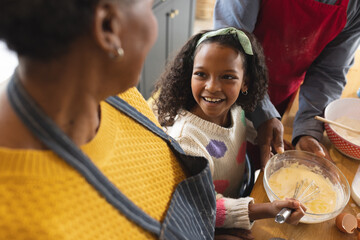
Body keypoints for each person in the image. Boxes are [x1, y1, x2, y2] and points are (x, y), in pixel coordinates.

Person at [0, 0, 217, 239]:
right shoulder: (15, 222)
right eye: (149, 6)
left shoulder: (118, 92)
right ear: (107, 26)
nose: (154, 26)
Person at [153, 27, 306, 233]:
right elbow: (202, 207)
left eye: (227, 77)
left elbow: (236, 133)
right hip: (209, 223)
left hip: (238, 195)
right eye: (201, 74)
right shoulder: (186, 141)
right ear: (188, 76)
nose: (212, 87)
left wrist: (269, 140)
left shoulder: (235, 108)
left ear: (245, 83)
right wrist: (267, 209)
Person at [214, 0, 360, 168]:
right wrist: (263, 112)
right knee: (219, 167)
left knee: (256, 166)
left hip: (282, 96)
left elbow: (328, 71)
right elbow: (230, 48)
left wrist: (308, 130)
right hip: (224, 89)